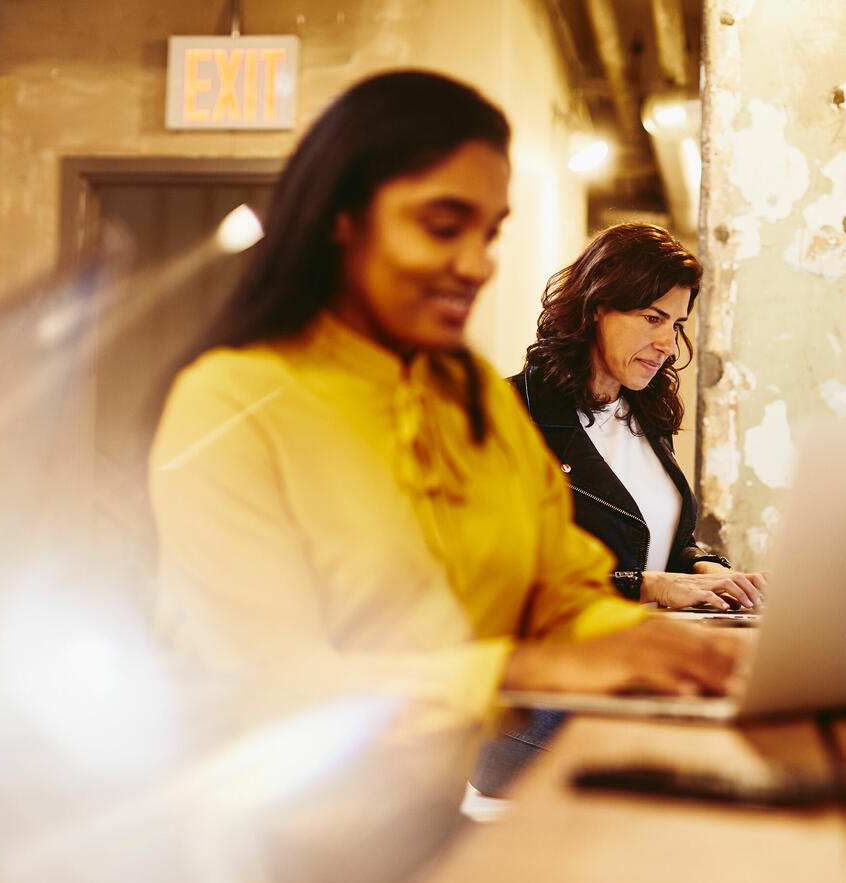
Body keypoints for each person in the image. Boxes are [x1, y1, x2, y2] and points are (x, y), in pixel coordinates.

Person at [149, 72, 744, 781]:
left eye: (489, 234)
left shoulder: (472, 403)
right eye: (441, 227)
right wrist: (529, 670)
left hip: (427, 813)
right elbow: (270, 683)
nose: (477, 264)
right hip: (268, 845)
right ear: (342, 218)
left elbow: (560, 591)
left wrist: (671, 650)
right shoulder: (233, 403)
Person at [470, 224, 765, 797]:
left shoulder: (641, 416)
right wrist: (647, 587)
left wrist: (703, 568)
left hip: (632, 673)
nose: (667, 343)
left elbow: (661, 536)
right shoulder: (507, 415)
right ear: (596, 308)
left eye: (677, 324)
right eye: (652, 318)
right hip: (536, 704)